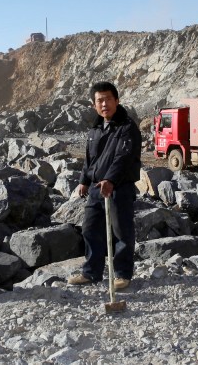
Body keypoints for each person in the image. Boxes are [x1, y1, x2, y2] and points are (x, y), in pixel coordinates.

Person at [68, 81, 142, 289]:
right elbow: (89, 159)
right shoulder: (96, 129)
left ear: (117, 101)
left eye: (108, 99)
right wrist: (84, 180)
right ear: (94, 105)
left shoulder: (127, 128)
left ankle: (122, 274)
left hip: (119, 187)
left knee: (121, 232)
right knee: (90, 230)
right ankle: (91, 272)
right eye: (100, 100)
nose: (104, 104)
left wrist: (110, 180)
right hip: (95, 189)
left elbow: (123, 158)